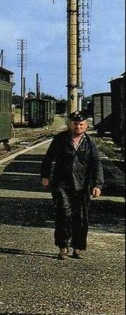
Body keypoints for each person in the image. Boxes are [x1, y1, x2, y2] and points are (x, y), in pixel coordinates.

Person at [40, 110, 103, 260]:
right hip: (62, 183)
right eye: (75, 124)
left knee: (81, 217)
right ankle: (63, 246)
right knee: (64, 213)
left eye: (81, 124)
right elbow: (48, 158)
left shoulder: (90, 143)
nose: (78, 127)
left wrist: (98, 184)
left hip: (82, 185)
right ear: (70, 124)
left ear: (86, 126)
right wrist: (45, 176)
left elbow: (96, 164)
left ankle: (78, 247)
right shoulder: (60, 139)